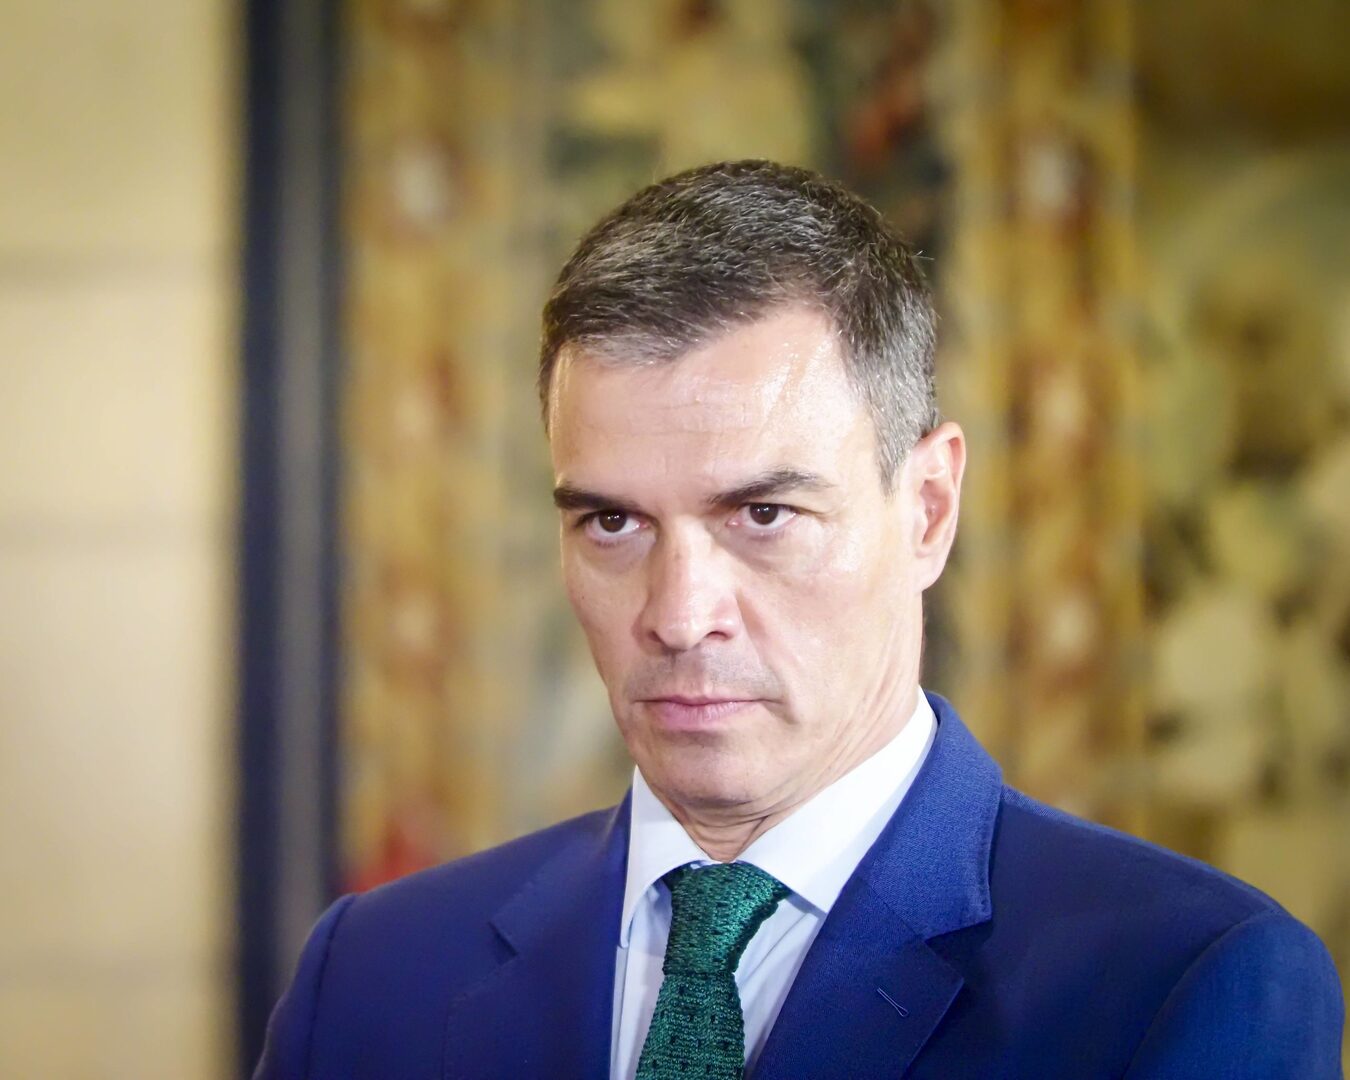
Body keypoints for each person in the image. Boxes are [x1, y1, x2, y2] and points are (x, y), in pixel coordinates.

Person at [254, 161, 1344, 1079]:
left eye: (763, 515)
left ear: (927, 509)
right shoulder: (371, 978)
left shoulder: (1188, 984)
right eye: (613, 522)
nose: (680, 616)